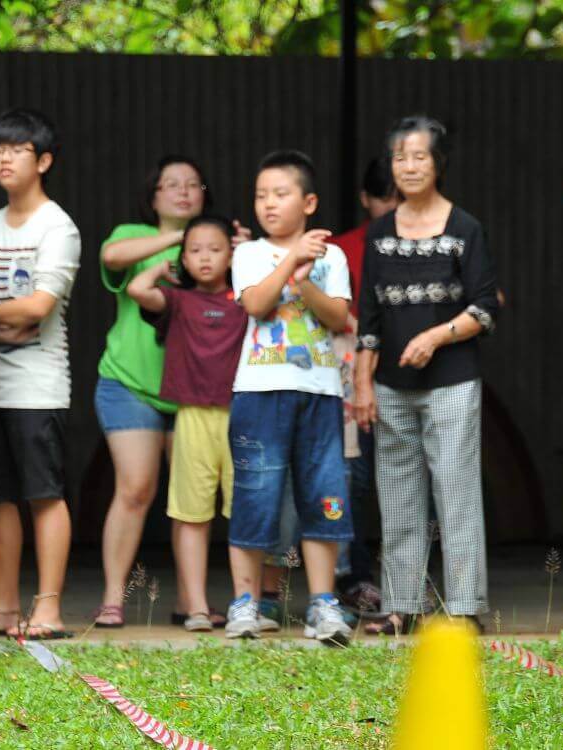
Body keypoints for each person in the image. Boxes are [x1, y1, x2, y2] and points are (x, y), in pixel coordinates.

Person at [354, 116, 500, 635]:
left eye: (419, 156)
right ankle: (401, 607)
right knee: (396, 495)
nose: (409, 166)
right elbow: (368, 317)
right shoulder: (378, 232)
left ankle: (463, 608)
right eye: (400, 157)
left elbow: (485, 309)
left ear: (439, 163)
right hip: (391, 385)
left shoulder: (464, 228)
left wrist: (436, 336)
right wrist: (363, 384)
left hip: (453, 381)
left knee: (457, 492)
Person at [0, 109, 80, 640]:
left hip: (39, 385)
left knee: (44, 493)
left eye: (17, 149)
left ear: (44, 160)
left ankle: (47, 608)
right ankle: (5, 608)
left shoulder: (59, 227)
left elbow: (37, 308)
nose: (3, 158)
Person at [95, 156, 233, 629]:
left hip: (195, 392)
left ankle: (191, 602)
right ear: (152, 196)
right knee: (135, 488)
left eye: (193, 184)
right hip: (129, 381)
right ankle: (113, 598)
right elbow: (112, 260)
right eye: (170, 184)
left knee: (191, 498)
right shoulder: (129, 235)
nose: (182, 191)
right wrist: (180, 238)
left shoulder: (219, 247)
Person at [225, 150, 354, 644]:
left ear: (309, 202)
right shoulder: (249, 254)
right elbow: (256, 304)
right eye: (261, 196)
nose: (268, 204)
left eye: (280, 194)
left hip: (320, 392)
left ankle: (323, 605)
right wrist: (292, 259)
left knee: (324, 494)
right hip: (259, 392)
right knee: (256, 494)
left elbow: (339, 317)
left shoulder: (334, 256)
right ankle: (245, 603)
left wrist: (304, 279)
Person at [128, 215, 247, 632]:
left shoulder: (245, 298)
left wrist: (249, 256)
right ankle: (196, 606)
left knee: (245, 512)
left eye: (216, 249)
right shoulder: (177, 300)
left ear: (231, 254)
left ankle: (244, 603)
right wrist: (161, 269)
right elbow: (136, 289)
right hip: (192, 415)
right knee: (191, 514)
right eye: (194, 250)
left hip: (241, 415)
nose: (205, 258)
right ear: (183, 258)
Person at [328, 156, 399, 616]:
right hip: (351, 375)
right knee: (351, 480)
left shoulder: (437, 237)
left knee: (406, 479)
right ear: (366, 200)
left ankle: (408, 581)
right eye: (385, 198)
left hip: (413, 375)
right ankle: (352, 577)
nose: (394, 208)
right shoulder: (341, 248)